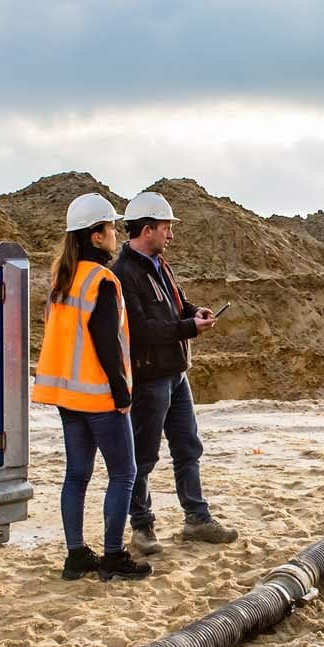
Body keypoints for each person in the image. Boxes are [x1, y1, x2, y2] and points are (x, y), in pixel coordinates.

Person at [32, 192, 151, 581]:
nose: (116, 233)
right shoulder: (101, 280)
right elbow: (105, 343)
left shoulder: (62, 279)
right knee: (123, 473)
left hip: (68, 397)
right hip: (98, 396)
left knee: (77, 474)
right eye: (111, 228)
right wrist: (122, 393)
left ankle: (76, 556)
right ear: (95, 236)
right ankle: (114, 556)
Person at [112, 189, 238, 554]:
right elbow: (141, 331)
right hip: (149, 379)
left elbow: (178, 305)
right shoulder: (122, 274)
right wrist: (188, 328)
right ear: (147, 229)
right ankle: (142, 527)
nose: (171, 235)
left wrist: (195, 312)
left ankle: (196, 519)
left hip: (175, 374)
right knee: (144, 457)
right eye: (166, 228)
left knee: (187, 447)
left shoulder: (159, 265)